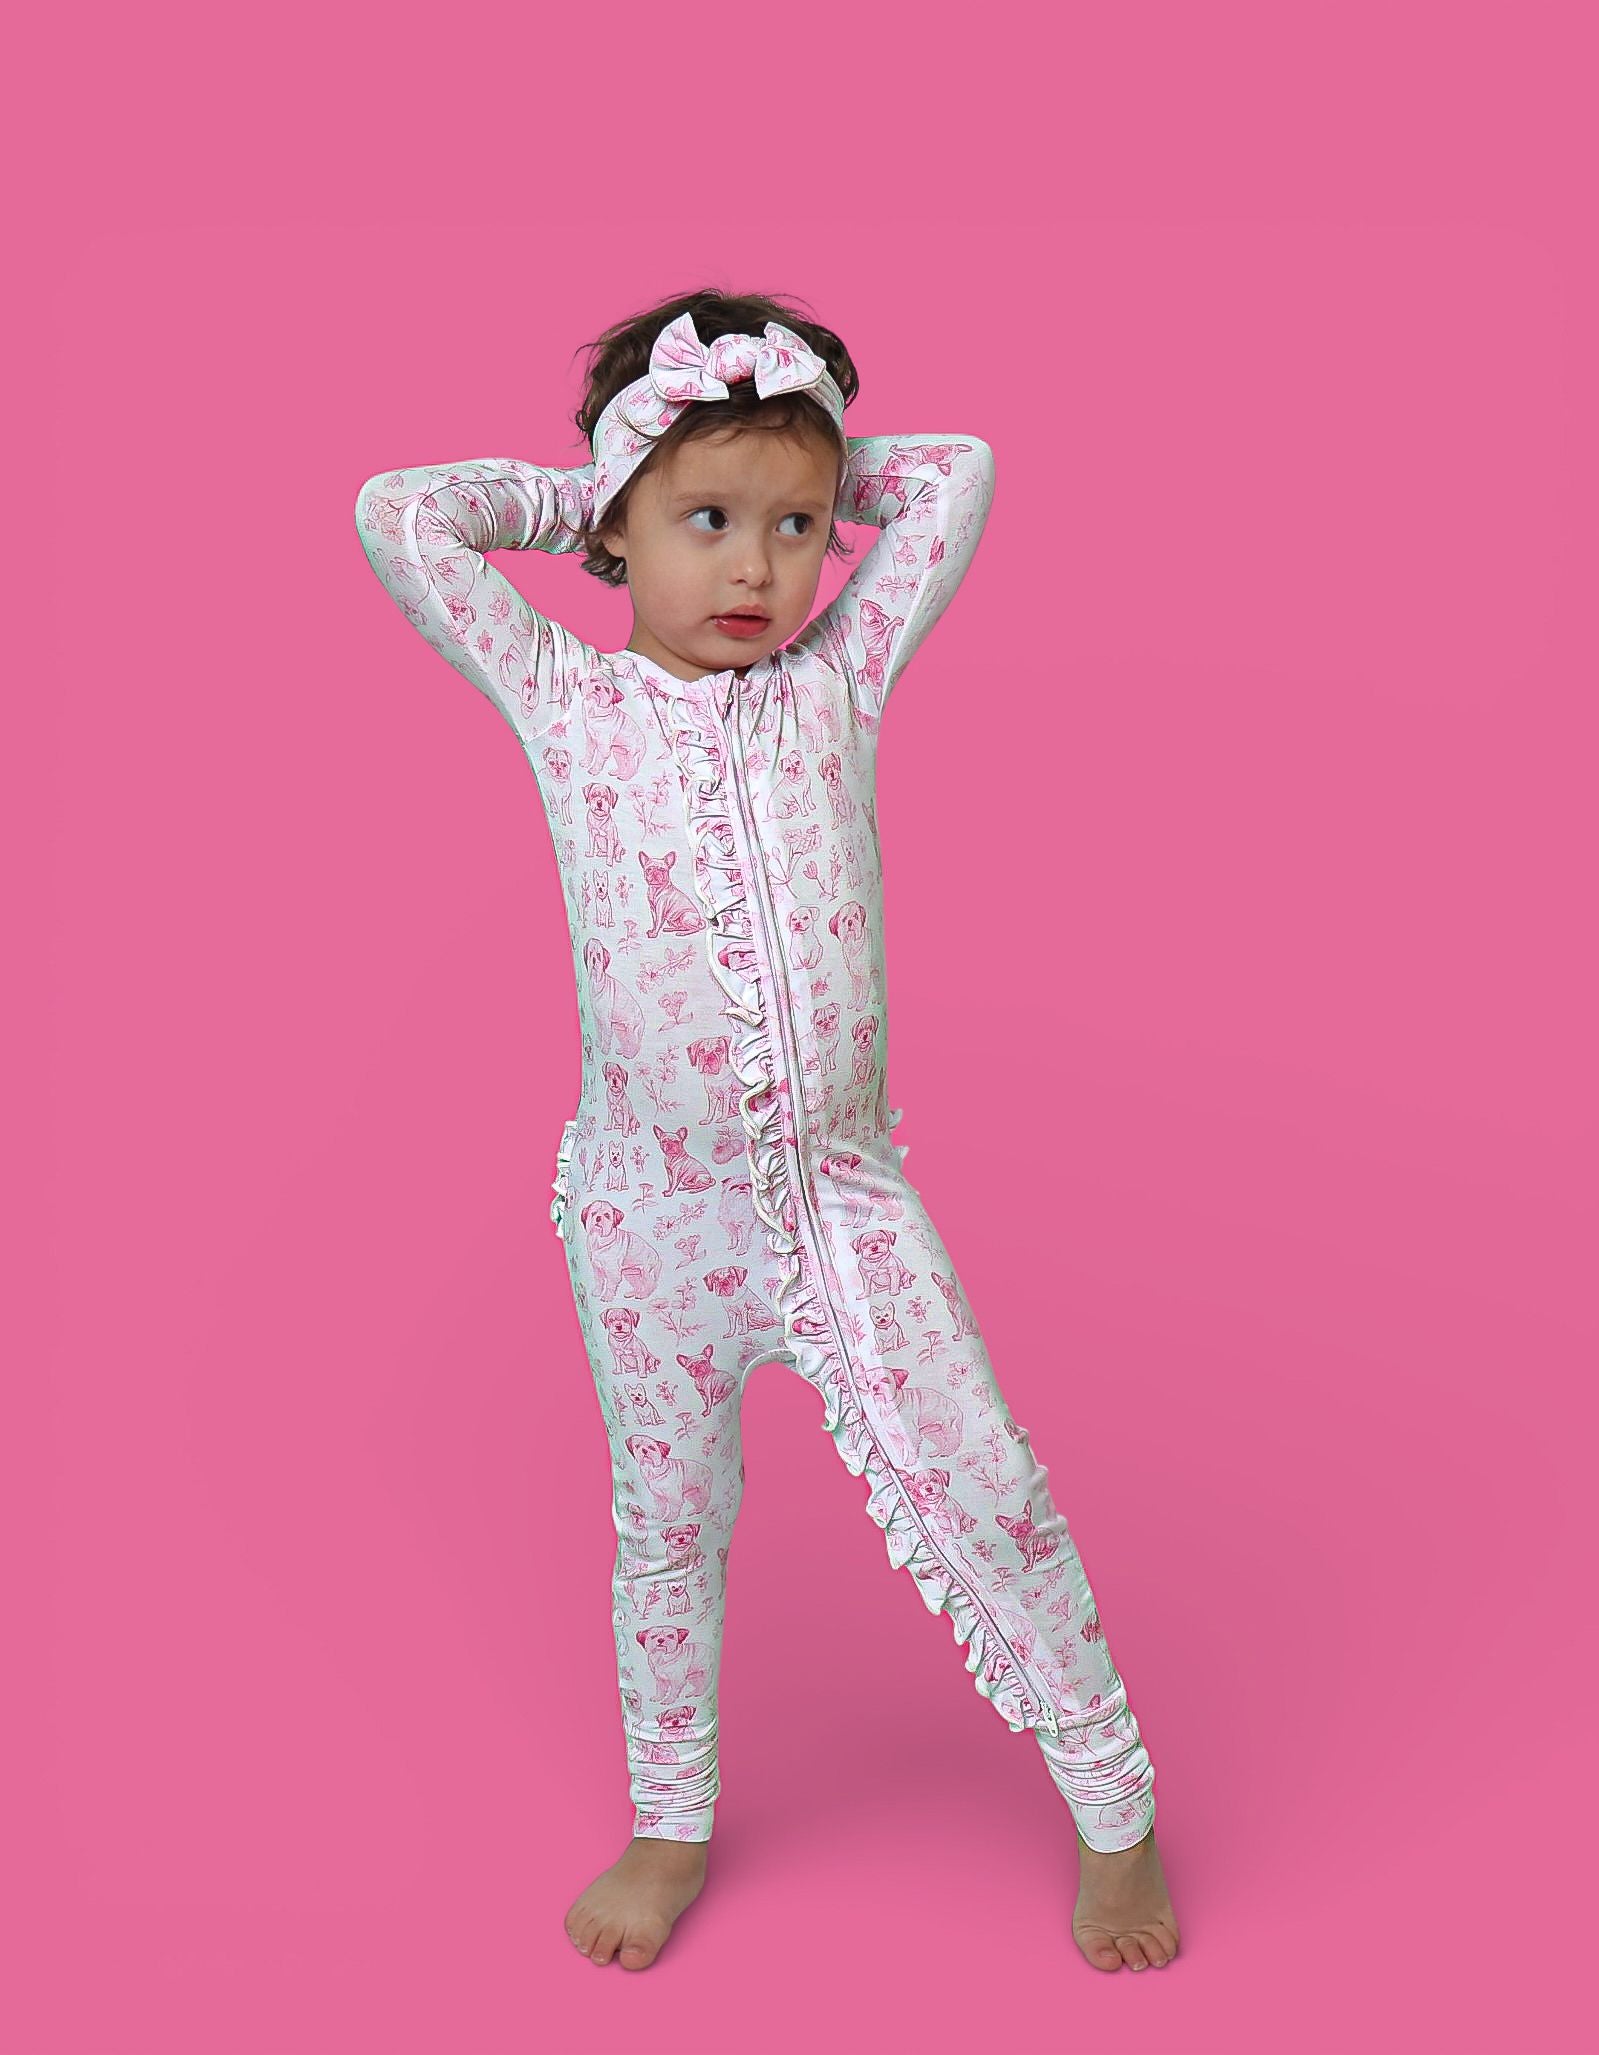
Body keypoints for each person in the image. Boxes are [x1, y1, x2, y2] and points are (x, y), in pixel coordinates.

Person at [353, 287, 1180, 1976]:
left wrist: (791, 446)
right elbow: (400, 514)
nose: (757, 567)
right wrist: (600, 485)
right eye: (707, 522)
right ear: (618, 528)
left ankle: (1119, 1809)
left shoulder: (840, 678)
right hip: (648, 1214)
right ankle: (670, 1821)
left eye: (796, 527)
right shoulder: (563, 697)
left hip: (841, 1201)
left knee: (991, 1487)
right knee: (665, 1532)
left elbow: (957, 472)